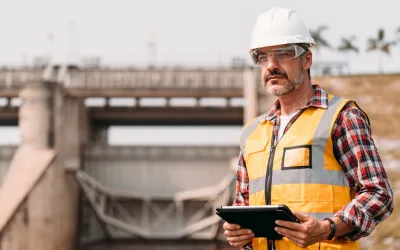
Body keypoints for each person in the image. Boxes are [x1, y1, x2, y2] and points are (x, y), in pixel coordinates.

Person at [223, 7, 394, 250]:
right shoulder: (252, 134)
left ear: (307, 59)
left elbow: (379, 194)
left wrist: (328, 227)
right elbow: (242, 205)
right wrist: (240, 234)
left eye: (283, 54)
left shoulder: (341, 118)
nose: (271, 65)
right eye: (262, 57)